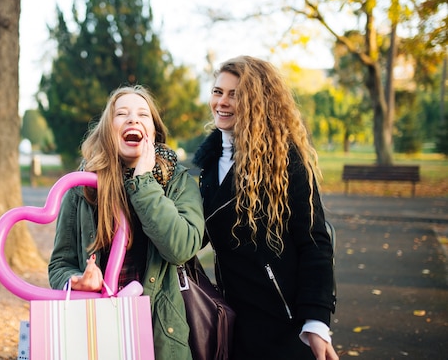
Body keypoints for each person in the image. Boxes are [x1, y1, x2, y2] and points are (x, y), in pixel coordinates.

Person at [193, 56, 338, 360]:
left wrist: (316, 319)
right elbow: (198, 232)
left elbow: (315, 242)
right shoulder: (209, 162)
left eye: (236, 94)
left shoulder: (286, 160)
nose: (223, 102)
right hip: (231, 314)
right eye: (218, 92)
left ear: (258, 101)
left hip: (284, 318)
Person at [48, 85, 205, 359]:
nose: (133, 119)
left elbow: (182, 247)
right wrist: (76, 280)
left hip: (161, 337)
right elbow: (60, 264)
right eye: (122, 114)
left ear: (153, 132)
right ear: (108, 130)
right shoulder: (82, 186)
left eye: (143, 114)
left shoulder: (178, 181)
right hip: (97, 331)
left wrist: (143, 184)